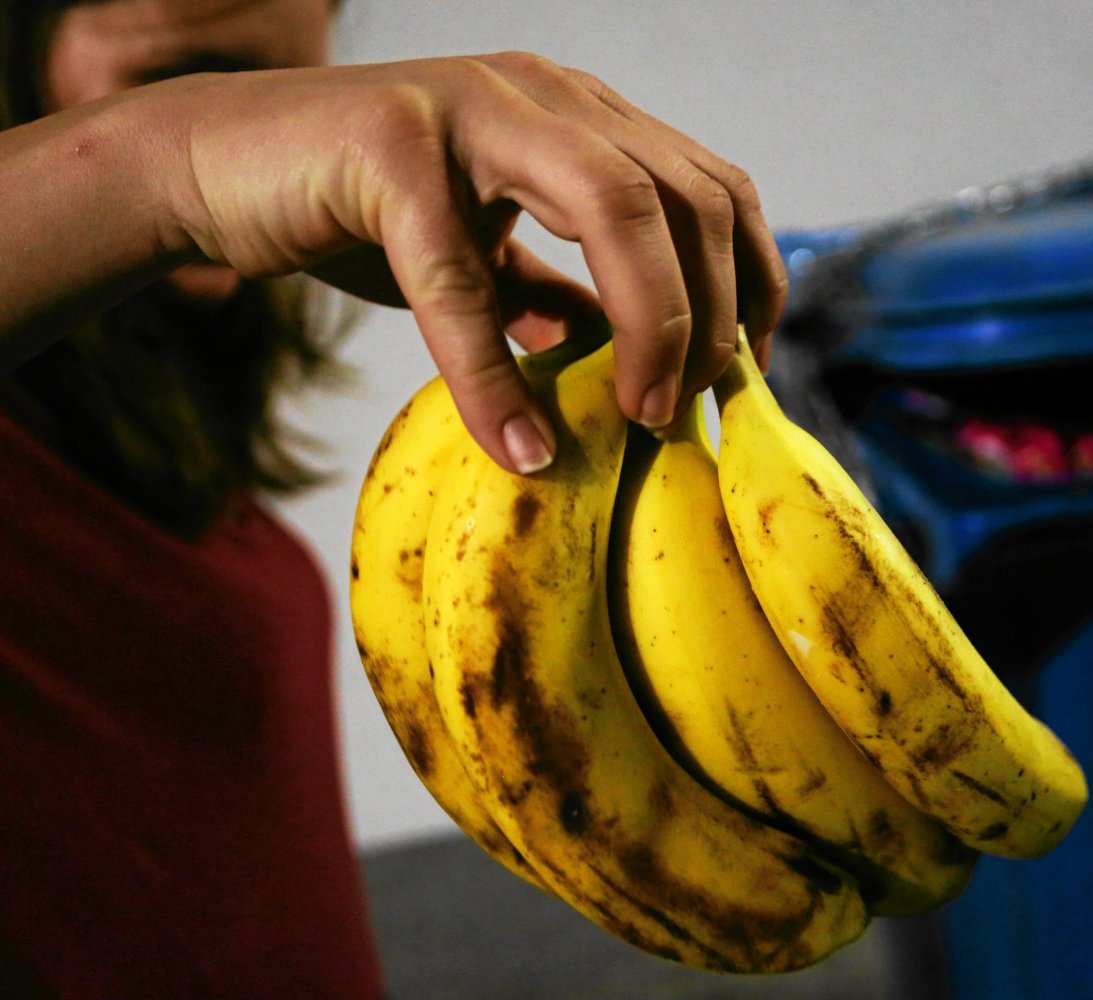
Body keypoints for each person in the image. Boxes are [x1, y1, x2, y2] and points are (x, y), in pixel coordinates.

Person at [0, 0, 787, 996]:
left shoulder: (168, 399)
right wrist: (165, 163)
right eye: (183, 84)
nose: (239, 114)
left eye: (271, 86)